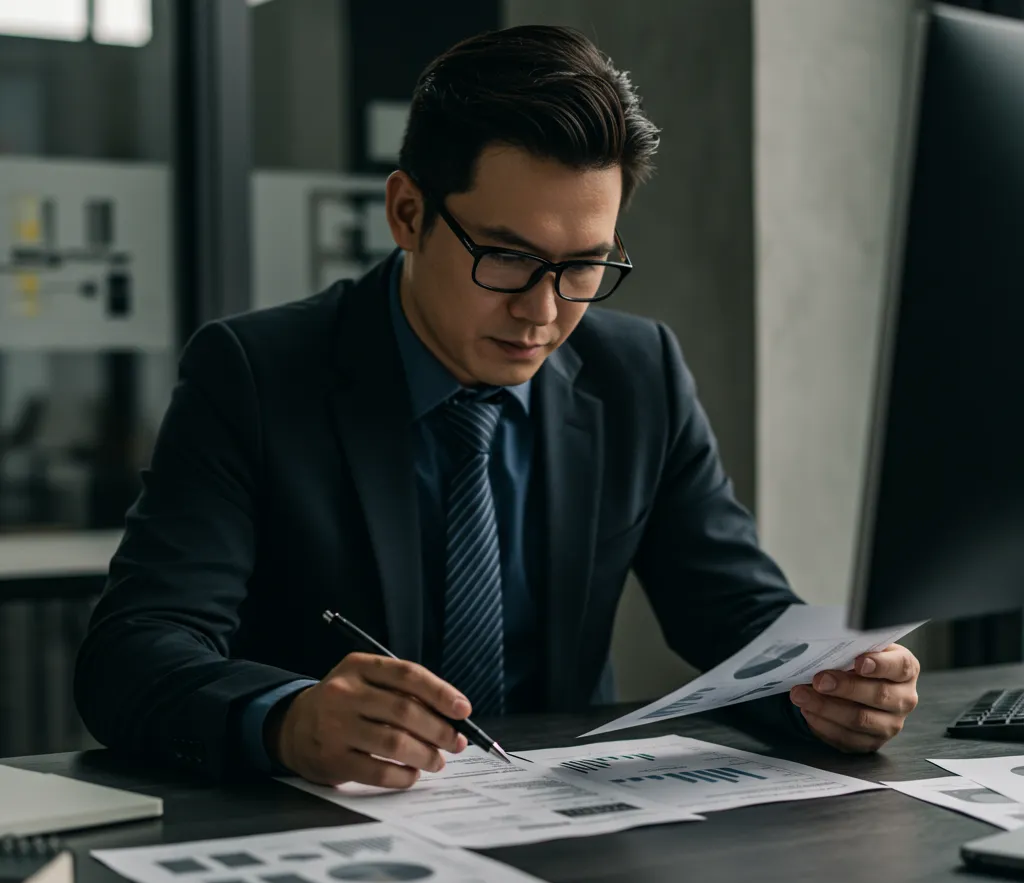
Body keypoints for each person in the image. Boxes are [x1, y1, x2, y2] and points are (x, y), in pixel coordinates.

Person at [74, 25, 920, 786]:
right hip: (335, 836)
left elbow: (735, 612)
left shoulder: (637, 372)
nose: (544, 312)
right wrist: (289, 719)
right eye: (508, 259)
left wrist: (829, 686)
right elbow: (132, 656)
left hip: (569, 832)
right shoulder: (257, 374)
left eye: (585, 266)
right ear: (408, 213)